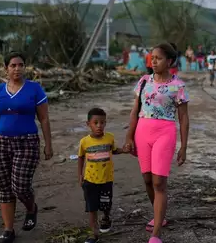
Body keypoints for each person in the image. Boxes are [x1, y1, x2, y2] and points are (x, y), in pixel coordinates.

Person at [0, 52, 54, 243]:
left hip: (27, 142)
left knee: (20, 186)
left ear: (25, 67)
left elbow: (44, 118)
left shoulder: (35, 89)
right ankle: (8, 230)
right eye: (13, 65)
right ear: (6, 68)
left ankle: (31, 208)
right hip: (0, 143)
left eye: (21, 65)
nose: (17, 69)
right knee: (5, 189)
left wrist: (48, 144)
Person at [123, 42, 190, 243]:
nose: (153, 61)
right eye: (152, 58)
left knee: (159, 182)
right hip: (142, 133)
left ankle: (156, 234)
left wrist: (184, 146)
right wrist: (129, 136)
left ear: (169, 61)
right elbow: (135, 111)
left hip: (165, 133)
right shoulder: (143, 82)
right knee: (146, 179)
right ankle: (159, 215)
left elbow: (184, 118)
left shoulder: (178, 86)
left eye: (158, 58)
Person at [78, 108, 126, 243]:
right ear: (88, 124)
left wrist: (125, 150)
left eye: (102, 123)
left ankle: (106, 217)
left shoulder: (109, 138)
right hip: (90, 180)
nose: (99, 126)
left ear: (105, 123)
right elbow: (81, 158)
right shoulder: (84, 142)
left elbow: (115, 150)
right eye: (96, 123)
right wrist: (80, 175)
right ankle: (93, 234)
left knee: (105, 203)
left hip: (106, 179)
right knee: (91, 207)